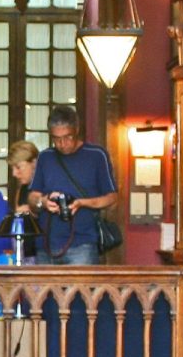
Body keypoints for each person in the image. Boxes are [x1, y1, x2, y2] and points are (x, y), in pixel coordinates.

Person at [29, 105, 120, 265]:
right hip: (46, 244)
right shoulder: (45, 157)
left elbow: (112, 198)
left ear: (77, 130)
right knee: (44, 291)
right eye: (56, 139)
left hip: (82, 244)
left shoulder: (96, 155)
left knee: (81, 290)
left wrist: (81, 203)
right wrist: (43, 201)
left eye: (67, 137)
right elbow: (32, 197)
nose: (62, 143)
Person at [4, 139, 41, 264]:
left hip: (43, 252)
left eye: (19, 167)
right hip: (23, 251)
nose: (14, 173)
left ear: (34, 163)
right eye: (12, 168)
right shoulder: (22, 188)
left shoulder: (47, 185)